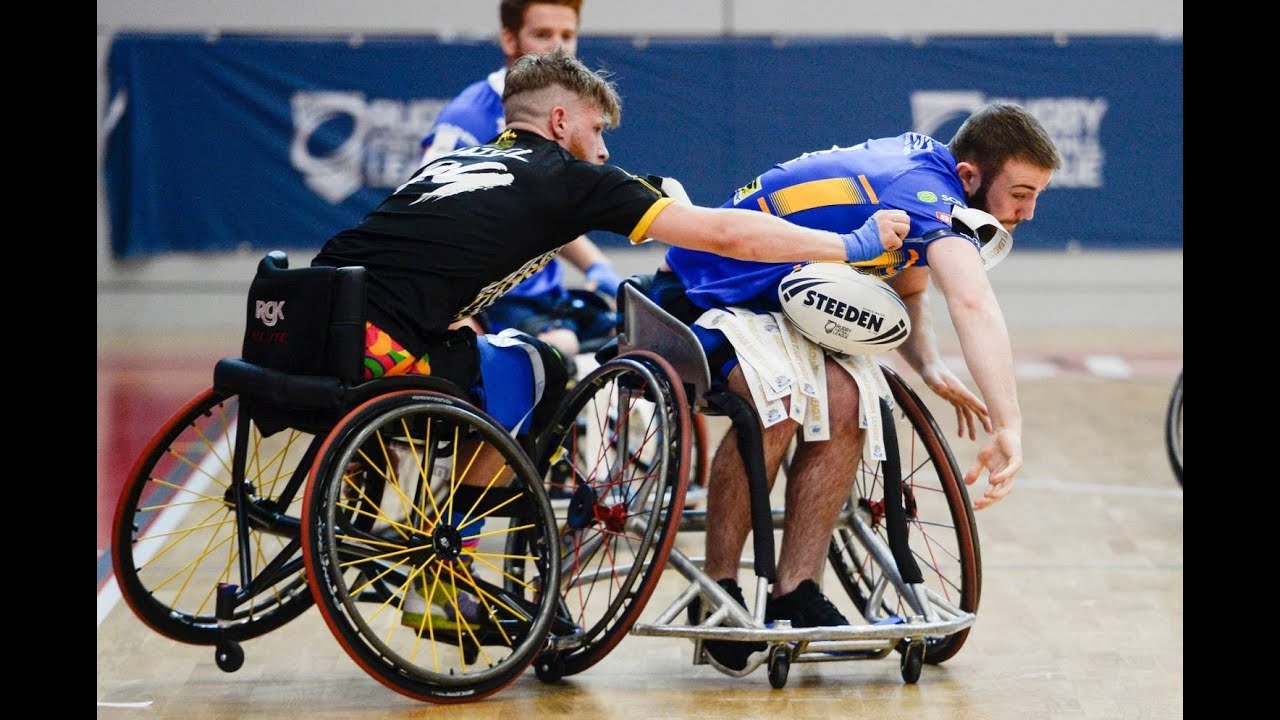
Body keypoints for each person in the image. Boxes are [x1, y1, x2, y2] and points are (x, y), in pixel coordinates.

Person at [311, 48, 909, 628]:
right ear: (560, 121)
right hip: (373, 348)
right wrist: (851, 247)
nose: (602, 149)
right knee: (537, 366)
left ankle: (371, 507)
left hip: (301, 321)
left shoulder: (456, 165)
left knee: (478, 359)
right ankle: (445, 567)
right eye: (597, 129)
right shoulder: (569, 179)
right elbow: (723, 233)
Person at [650, 102, 1062, 670]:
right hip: (705, 290)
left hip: (782, 303)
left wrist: (932, 366)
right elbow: (971, 300)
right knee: (773, 402)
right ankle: (718, 589)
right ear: (970, 176)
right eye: (1020, 192)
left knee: (849, 403)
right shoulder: (923, 189)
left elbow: (913, 290)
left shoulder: (936, 184)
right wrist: (1009, 424)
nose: (1028, 211)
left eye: (1037, 195)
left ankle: (795, 589)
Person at [421, 0, 623, 359]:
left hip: (547, 299)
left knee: (630, 333)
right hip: (495, 307)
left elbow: (545, 211)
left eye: (568, 35)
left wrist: (596, 265)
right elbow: (429, 221)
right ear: (509, 39)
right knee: (563, 352)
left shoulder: (566, 114)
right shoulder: (469, 117)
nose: (559, 48)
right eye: (543, 34)